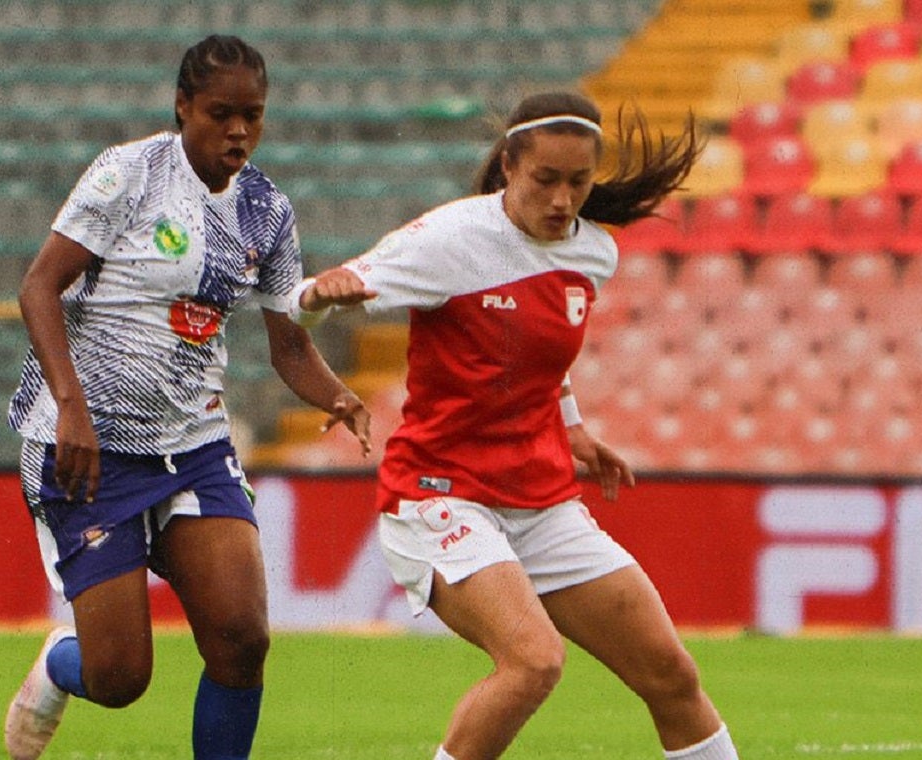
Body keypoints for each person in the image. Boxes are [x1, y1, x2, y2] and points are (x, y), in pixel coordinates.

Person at [288, 91, 739, 759]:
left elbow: (535, 355)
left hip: (541, 499)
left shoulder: (592, 254)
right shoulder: (449, 241)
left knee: (670, 675)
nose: (562, 200)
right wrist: (320, 298)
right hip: (440, 493)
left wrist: (573, 427)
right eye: (546, 180)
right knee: (533, 662)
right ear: (508, 167)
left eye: (578, 183)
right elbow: (309, 301)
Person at [3, 34, 371, 760]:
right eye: (221, 113)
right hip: (90, 446)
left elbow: (289, 342)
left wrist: (338, 394)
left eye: (253, 117)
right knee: (119, 677)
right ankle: (58, 664)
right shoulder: (129, 174)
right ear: (183, 108)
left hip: (194, 445)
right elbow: (38, 287)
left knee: (243, 639)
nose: (238, 131)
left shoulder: (266, 211)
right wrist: (72, 407)